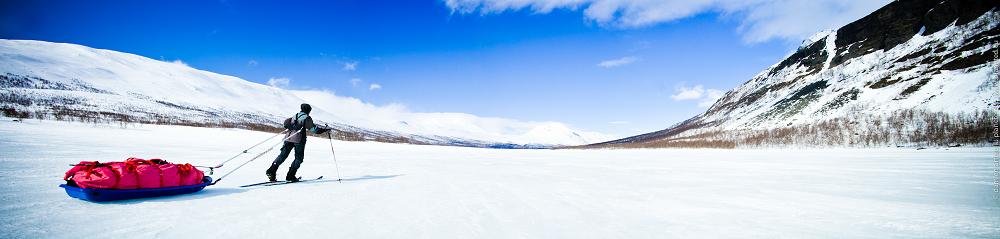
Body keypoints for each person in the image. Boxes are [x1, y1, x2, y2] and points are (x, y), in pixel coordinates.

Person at [266, 103, 331, 182]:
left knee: (282, 155)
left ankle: (271, 170)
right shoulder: (306, 118)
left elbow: (286, 123)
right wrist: (325, 129)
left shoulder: (295, 116)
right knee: (298, 158)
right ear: (308, 111)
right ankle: (290, 176)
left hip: (288, 138)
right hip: (298, 140)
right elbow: (314, 129)